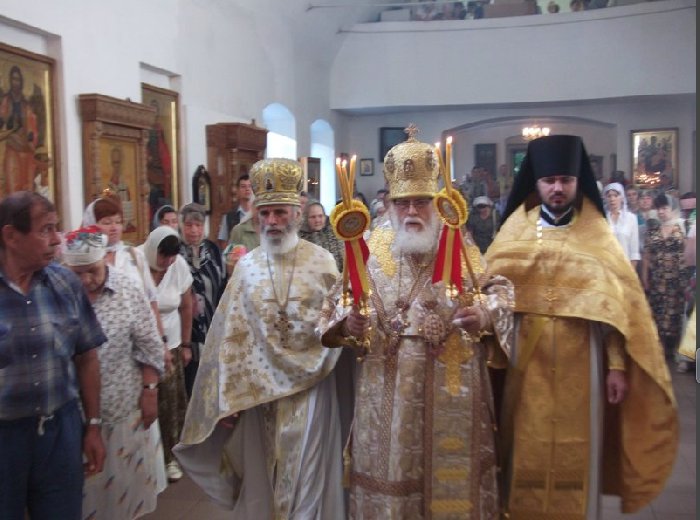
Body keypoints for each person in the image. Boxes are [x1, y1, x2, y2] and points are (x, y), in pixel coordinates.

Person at [320, 132, 514, 518]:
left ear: (436, 201)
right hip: (388, 387)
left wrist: (484, 314)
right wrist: (348, 324)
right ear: (389, 204)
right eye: (402, 202)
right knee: (393, 477)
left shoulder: (457, 240)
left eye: (422, 201)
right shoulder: (368, 246)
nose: (412, 211)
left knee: (451, 488)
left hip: (452, 383)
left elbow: (498, 290)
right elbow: (337, 302)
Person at [485, 135, 678, 518]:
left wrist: (617, 366)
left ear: (577, 182)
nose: (557, 188)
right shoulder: (513, 232)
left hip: (583, 357)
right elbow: (491, 291)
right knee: (525, 439)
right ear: (537, 183)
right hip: (527, 358)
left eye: (566, 180)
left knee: (579, 442)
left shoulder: (598, 235)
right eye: (549, 181)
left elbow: (618, 309)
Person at [174, 158, 344, 518]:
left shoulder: (323, 262)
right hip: (261, 394)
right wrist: (227, 397)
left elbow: (337, 325)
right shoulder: (248, 266)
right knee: (265, 477)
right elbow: (229, 334)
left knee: (307, 474)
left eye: (279, 212)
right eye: (264, 213)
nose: (271, 221)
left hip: (311, 390)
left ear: (296, 213)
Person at [0, 191, 107, 519]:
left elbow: (87, 356)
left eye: (56, 228)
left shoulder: (65, 283)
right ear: (11, 236)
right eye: (45, 229)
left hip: (59, 430)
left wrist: (93, 425)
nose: (57, 239)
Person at [62, 226, 165, 519]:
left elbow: (149, 345)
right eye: (77, 273)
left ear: (105, 260)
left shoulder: (127, 289)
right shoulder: (60, 292)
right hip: (74, 417)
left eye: (92, 271)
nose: (86, 280)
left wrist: (150, 391)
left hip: (122, 409)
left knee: (123, 495)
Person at [139, 226, 194, 483]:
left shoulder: (178, 265)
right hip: (141, 346)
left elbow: (186, 306)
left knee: (170, 403)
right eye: (164, 256)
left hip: (171, 343)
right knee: (145, 401)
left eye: (172, 257)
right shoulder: (136, 261)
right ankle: (145, 457)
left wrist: (186, 344)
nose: (167, 262)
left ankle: (170, 457)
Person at [179, 203, 226, 397]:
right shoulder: (176, 253)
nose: (194, 230)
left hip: (212, 327)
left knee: (212, 386)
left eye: (198, 225)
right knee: (190, 387)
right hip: (186, 335)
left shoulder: (213, 250)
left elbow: (223, 284)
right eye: (189, 225)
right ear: (182, 227)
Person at [642, 193, 685, 360]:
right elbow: (646, 256)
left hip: (677, 279)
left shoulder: (682, 227)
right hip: (657, 279)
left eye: (664, 208)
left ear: (672, 209)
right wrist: (645, 278)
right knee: (658, 312)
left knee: (675, 313)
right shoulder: (653, 230)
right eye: (658, 208)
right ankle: (659, 348)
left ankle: (675, 349)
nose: (661, 212)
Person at [0, 65, 40, 195]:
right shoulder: (6, 102)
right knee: (12, 186)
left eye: (17, 79)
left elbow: (32, 127)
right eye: (13, 79)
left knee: (26, 188)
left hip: (26, 151)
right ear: (10, 81)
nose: (15, 82)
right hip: (12, 149)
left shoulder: (26, 105)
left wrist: (30, 138)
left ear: (21, 82)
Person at [603, 182, 641, 267]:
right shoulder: (601, 219)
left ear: (622, 197)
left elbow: (634, 250)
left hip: (625, 266)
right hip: (606, 266)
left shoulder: (631, 218)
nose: (612, 199)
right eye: (609, 196)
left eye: (615, 195)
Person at [299, 201, 344, 271]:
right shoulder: (300, 239)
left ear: (325, 216)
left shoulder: (334, 234)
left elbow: (344, 260)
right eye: (313, 217)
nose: (317, 220)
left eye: (320, 216)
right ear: (306, 218)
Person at [217, 175, 253, 251]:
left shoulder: (260, 215)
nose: (247, 189)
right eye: (243, 186)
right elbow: (224, 242)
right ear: (237, 190)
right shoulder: (228, 217)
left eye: (250, 186)